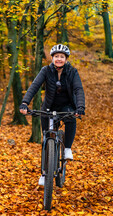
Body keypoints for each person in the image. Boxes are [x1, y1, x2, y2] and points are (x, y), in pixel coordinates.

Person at [19, 44, 85, 185]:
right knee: (46, 139)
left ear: (66, 59)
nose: (59, 59)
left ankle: (67, 148)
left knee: (71, 119)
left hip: (66, 107)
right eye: (56, 56)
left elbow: (78, 89)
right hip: (48, 107)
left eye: (62, 57)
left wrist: (80, 107)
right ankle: (44, 173)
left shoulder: (72, 72)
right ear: (52, 58)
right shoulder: (46, 70)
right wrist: (25, 102)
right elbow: (34, 86)